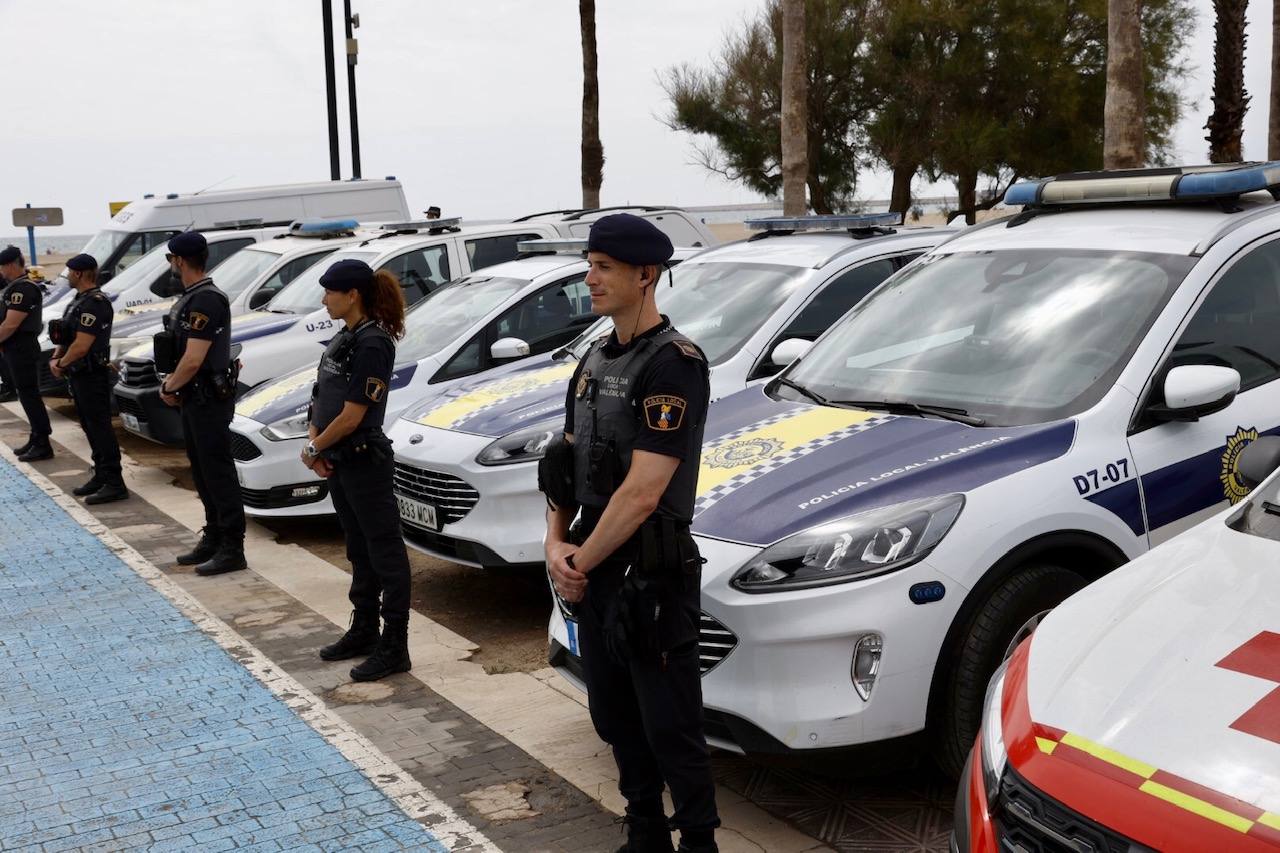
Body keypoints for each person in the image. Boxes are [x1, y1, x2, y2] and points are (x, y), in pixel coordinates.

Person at [542, 214, 719, 853]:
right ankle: (645, 832)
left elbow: (644, 492)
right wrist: (555, 543)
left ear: (646, 275)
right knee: (614, 715)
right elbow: (564, 463)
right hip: (592, 562)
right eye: (589, 265)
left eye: (604, 268)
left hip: (650, 572)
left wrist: (578, 563)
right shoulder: (592, 359)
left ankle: (698, 841)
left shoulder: (674, 365)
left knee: (671, 723)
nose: (590, 279)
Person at [305, 259, 413, 682]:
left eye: (329, 292)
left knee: (385, 553)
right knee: (358, 549)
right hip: (340, 458)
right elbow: (322, 395)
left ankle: (395, 645)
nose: (323, 300)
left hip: (365, 459)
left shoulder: (374, 343)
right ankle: (365, 629)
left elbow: (353, 415)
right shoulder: (345, 337)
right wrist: (316, 440)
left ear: (352, 295)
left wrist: (314, 448)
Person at [157, 231, 247, 576]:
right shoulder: (192, 297)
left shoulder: (206, 300)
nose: (170, 264)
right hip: (194, 397)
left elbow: (194, 359)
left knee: (217, 473)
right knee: (202, 471)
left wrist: (169, 385)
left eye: (171, 258)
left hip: (208, 398)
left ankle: (232, 547)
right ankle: (214, 536)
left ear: (180, 260)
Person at [49, 254, 128, 504]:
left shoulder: (95, 303)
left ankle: (115, 482)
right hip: (79, 374)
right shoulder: (79, 300)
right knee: (89, 426)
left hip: (93, 374)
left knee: (100, 428)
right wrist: (57, 357)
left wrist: (61, 363)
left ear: (79, 274)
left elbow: (82, 345)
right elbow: (66, 335)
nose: (67, 277)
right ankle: (101, 474)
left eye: (69, 272)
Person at [0, 245, 53, 461]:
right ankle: (36, 436)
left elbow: (10, 325)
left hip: (22, 348)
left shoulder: (23, 290)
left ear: (11, 265)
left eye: (2, 267)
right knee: (25, 395)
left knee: (30, 396)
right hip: (14, 348)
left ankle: (42, 442)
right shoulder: (14, 287)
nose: (1, 271)